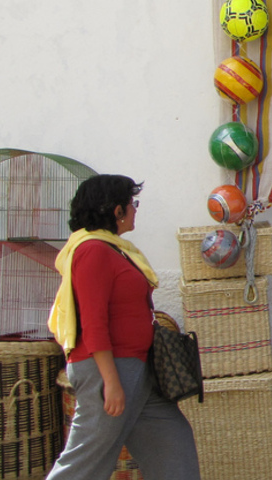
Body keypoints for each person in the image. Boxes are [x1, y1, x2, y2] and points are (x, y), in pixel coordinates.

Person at [46, 175, 200, 479]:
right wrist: (111, 382)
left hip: (138, 369)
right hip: (109, 370)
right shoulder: (93, 251)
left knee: (174, 446)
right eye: (133, 204)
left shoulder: (114, 249)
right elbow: (93, 322)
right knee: (84, 464)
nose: (135, 210)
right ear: (116, 210)